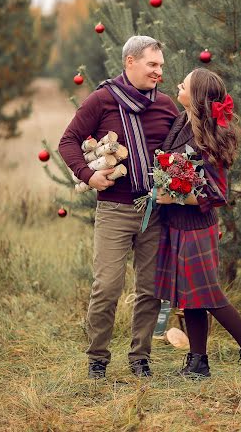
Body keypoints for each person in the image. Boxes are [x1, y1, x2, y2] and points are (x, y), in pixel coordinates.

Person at [58, 36, 179, 379]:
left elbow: (178, 151)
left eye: (161, 66)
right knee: (107, 286)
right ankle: (97, 358)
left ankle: (140, 357)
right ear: (130, 62)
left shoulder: (167, 105)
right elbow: (67, 141)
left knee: (150, 288)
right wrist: (87, 176)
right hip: (114, 210)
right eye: (152, 65)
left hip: (155, 211)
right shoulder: (102, 100)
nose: (159, 72)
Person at [154, 68, 241, 385]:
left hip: (196, 227)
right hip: (177, 225)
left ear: (195, 97)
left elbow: (217, 194)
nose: (178, 84)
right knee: (189, 296)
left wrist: (175, 197)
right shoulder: (182, 122)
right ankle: (198, 362)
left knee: (208, 295)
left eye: (185, 84)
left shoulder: (206, 138)